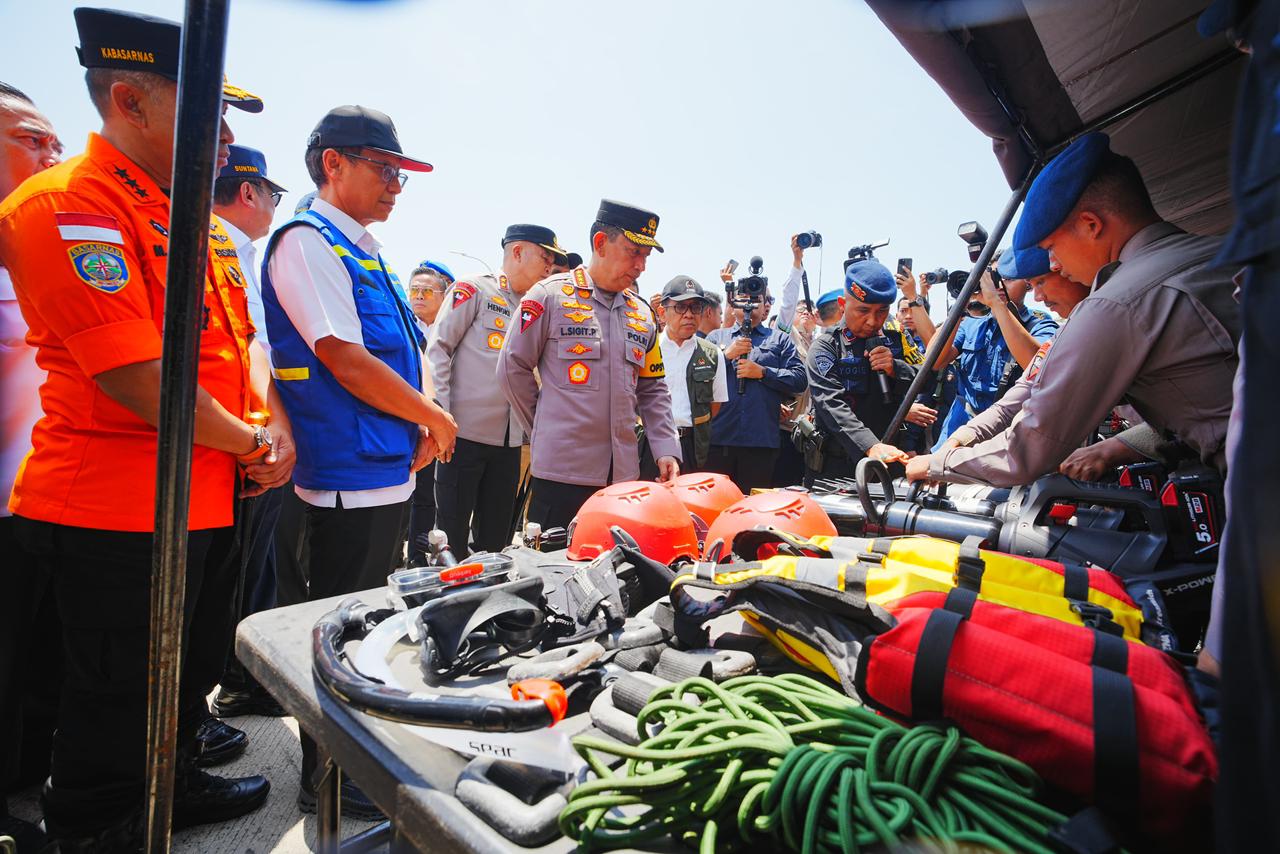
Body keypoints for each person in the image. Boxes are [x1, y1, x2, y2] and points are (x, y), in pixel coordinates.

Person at [0, 8, 287, 846]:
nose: (228, 133)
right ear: (128, 99)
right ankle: (100, 825)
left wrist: (260, 429)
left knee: (188, 672)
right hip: (114, 508)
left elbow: (242, 347)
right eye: (211, 109)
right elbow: (135, 376)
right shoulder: (67, 203)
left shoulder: (200, 222)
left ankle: (175, 777)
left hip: (207, 491)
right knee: (116, 692)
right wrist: (251, 441)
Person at [261, 104, 457, 819]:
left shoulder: (364, 247)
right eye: (384, 169)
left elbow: (410, 349)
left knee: (371, 623)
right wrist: (432, 416)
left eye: (401, 173)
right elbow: (343, 356)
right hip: (345, 476)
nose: (396, 185)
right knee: (338, 632)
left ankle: (354, 766)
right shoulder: (307, 242)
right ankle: (328, 780)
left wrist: (425, 409)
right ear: (332, 164)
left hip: (385, 469)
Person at [905, 131, 1240, 487]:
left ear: (1091, 225)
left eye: (1051, 249)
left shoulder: (1116, 305)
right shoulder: (1222, 252)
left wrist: (936, 466)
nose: (1055, 264)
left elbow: (1030, 447)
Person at [498, 199, 680, 528]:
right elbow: (512, 367)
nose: (641, 266)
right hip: (561, 475)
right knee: (552, 570)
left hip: (622, 478)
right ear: (600, 243)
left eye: (646, 257)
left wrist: (665, 447)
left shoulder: (642, 314)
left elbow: (652, 388)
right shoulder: (549, 297)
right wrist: (544, 426)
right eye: (633, 252)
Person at [0, 80, 62, 854]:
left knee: (30, 662)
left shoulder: (41, 244)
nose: (50, 154)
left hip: (42, 501)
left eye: (53, 141)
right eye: (27, 139)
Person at [207, 145, 290, 721]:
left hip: (248, 439)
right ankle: (232, 682)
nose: (274, 206)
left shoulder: (237, 250)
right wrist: (257, 440)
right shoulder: (220, 245)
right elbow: (243, 350)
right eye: (272, 194)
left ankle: (238, 680)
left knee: (248, 570)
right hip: (236, 443)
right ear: (248, 192)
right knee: (232, 575)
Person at [429, 224, 565, 556]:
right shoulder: (474, 290)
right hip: (461, 439)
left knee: (495, 544)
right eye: (545, 257)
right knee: (450, 541)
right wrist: (439, 416)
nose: (550, 267)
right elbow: (438, 350)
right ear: (517, 252)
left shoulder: (539, 308)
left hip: (508, 447)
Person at [897, 259, 1058, 448]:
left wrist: (998, 305)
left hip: (1008, 434)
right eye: (990, 279)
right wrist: (961, 305)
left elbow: (1040, 370)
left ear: (1028, 284)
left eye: (1007, 278)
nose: (996, 285)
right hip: (958, 429)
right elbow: (934, 360)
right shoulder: (972, 323)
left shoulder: (1038, 324)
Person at [803, 261, 933, 482]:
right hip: (837, 469)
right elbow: (831, 405)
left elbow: (928, 380)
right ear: (843, 304)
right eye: (863, 310)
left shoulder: (896, 339)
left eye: (882, 311)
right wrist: (870, 445)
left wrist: (895, 369)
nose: (873, 320)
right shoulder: (826, 347)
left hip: (888, 463)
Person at [705, 278, 808, 493]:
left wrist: (762, 373)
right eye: (743, 299)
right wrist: (726, 356)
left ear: (765, 307)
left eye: (757, 299)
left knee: (752, 511)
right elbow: (698, 378)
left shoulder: (779, 339)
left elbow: (800, 380)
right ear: (732, 306)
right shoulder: (716, 337)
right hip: (718, 440)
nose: (750, 304)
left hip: (760, 443)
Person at [647, 275, 727, 472]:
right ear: (662, 312)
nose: (689, 314)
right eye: (681, 307)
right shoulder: (647, 349)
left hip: (692, 446)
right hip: (649, 444)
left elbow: (714, 406)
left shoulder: (713, 354)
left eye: (696, 308)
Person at [404, 259, 453, 565]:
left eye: (428, 291)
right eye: (415, 290)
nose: (419, 296)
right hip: (405, 418)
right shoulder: (403, 326)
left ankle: (418, 559)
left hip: (439, 424)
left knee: (427, 497)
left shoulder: (450, 331)